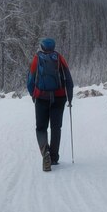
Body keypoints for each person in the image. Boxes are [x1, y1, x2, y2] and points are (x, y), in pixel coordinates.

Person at [27, 38, 73, 171]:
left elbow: (30, 80)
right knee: (56, 127)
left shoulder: (37, 59)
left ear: (41, 47)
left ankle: (44, 152)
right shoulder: (59, 58)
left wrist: (33, 95)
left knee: (41, 128)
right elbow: (68, 79)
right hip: (59, 97)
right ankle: (53, 157)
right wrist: (69, 98)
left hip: (41, 97)